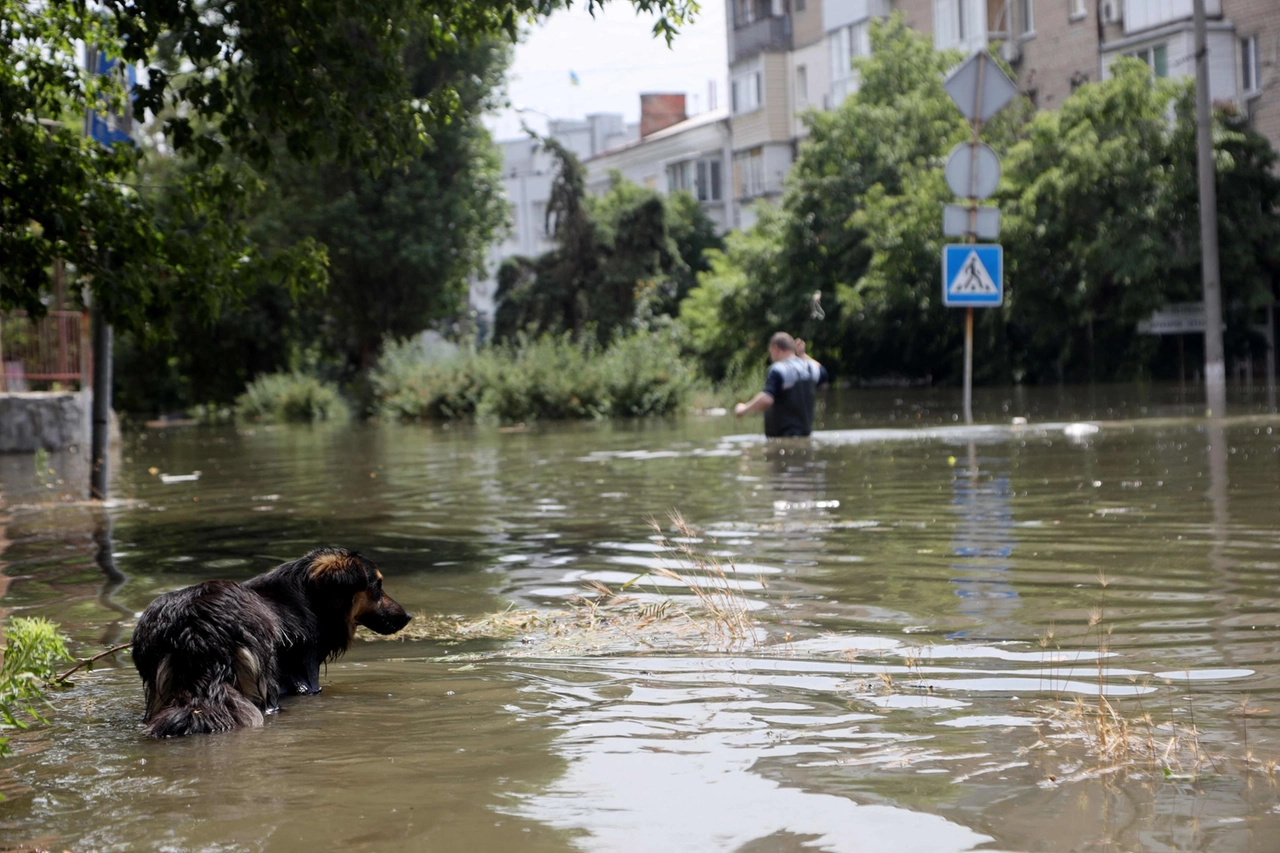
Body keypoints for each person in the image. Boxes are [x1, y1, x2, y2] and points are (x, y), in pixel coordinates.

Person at [734, 332, 825, 437]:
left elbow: (766, 399)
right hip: (806, 435)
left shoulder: (778, 369)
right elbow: (823, 373)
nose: (771, 356)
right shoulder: (810, 368)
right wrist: (802, 355)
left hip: (783, 438)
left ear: (775, 348)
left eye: (770, 352)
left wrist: (744, 409)